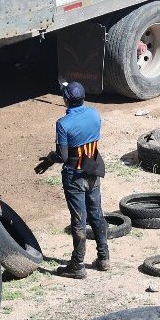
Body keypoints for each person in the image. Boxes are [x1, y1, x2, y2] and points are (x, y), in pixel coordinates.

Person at [35, 81, 108, 279]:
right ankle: (104, 258)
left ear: (66, 99)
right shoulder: (94, 114)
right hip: (92, 168)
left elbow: (64, 156)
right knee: (96, 214)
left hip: (74, 176)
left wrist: (50, 158)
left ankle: (77, 265)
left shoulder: (63, 124)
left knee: (79, 220)